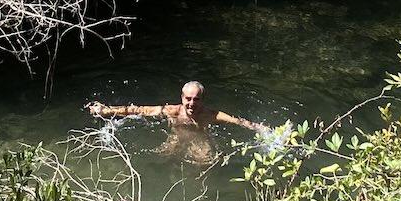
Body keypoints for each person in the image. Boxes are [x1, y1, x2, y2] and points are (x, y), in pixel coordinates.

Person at [87, 81, 268, 163]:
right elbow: (139, 110)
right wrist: (108, 111)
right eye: (188, 98)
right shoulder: (172, 111)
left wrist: (261, 128)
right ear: (182, 97)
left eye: (196, 99)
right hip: (176, 137)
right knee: (160, 158)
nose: (191, 103)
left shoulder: (211, 115)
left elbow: (238, 121)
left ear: (202, 100)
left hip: (199, 140)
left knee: (205, 163)